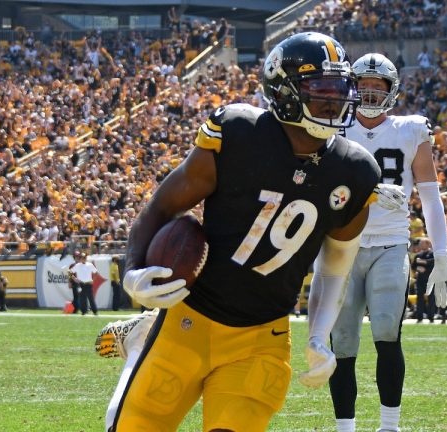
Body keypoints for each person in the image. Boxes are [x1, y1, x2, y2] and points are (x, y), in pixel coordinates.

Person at [104, 32, 381, 431]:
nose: (335, 100)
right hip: (189, 320)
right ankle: (141, 341)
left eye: (340, 89)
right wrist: (131, 272)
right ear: (284, 91)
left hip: (260, 338)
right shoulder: (238, 133)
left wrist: (319, 335)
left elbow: (337, 265)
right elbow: (163, 206)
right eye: (321, 89)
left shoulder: (355, 171)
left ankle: (140, 339)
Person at [328, 53, 447, 432]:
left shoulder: (410, 129)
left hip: (391, 243)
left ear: (391, 90)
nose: (369, 92)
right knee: (344, 341)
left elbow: (431, 197)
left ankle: (389, 426)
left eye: (376, 86)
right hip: (343, 244)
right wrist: (365, 194)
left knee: (387, 331)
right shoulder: (332, 129)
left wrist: (442, 255)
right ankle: (345, 429)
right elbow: (320, 189)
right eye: (363, 85)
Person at [411, 238, 436, 323]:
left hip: (430, 279)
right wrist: (418, 268)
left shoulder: (432, 254)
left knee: (431, 298)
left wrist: (423, 262)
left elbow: (433, 262)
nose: (420, 245)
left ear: (428, 244)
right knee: (420, 298)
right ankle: (419, 317)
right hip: (420, 279)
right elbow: (413, 266)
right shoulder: (418, 255)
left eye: (422, 243)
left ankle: (431, 317)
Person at [71, 252, 99, 316]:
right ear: (80, 258)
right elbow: (70, 272)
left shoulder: (90, 265)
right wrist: (74, 279)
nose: (83, 259)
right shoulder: (77, 265)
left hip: (88, 283)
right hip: (81, 284)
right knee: (82, 298)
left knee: (91, 298)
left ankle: (95, 311)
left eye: (84, 257)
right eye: (82, 258)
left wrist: (93, 280)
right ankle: (83, 312)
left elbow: (96, 273)